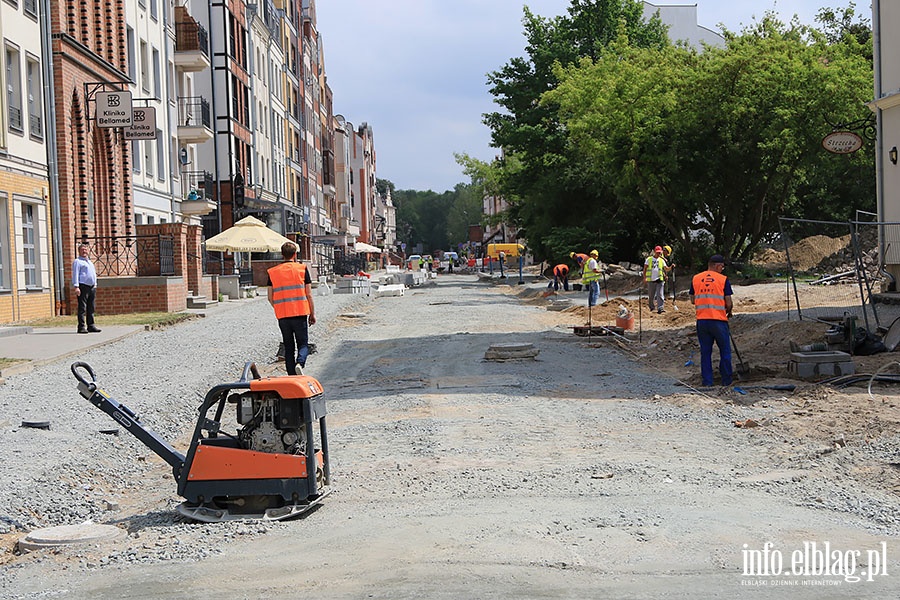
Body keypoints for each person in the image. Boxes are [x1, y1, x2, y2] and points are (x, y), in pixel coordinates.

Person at [267, 241, 316, 376]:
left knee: (288, 347)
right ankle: (300, 363)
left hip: (283, 315)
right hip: (300, 313)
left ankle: (291, 375)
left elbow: (270, 297)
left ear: (282, 254)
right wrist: (312, 314)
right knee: (303, 344)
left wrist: (279, 307)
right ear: (295, 254)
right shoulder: (302, 269)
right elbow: (309, 294)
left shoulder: (273, 272)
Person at [690, 254, 734, 387]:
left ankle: (707, 382)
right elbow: (729, 302)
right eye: (722, 267)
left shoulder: (696, 278)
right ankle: (726, 381)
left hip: (702, 321)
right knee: (725, 351)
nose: (722, 269)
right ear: (717, 265)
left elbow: (693, 300)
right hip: (719, 320)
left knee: (705, 352)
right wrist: (729, 311)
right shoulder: (723, 279)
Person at [72, 242, 101, 334]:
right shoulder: (78, 261)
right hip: (82, 286)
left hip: (91, 287)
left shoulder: (90, 262)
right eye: (82, 250)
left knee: (91, 307)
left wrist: (95, 284)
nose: (84, 251)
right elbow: (75, 274)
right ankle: (81, 326)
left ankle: (91, 325)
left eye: (86, 249)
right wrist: (76, 286)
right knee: (82, 307)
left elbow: (93, 274)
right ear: (79, 251)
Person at [643, 245, 670, 314]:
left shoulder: (661, 260)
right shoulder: (649, 259)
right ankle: (652, 307)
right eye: (657, 252)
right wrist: (644, 277)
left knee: (660, 294)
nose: (659, 254)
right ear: (654, 252)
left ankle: (660, 308)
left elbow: (665, 269)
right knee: (651, 295)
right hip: (651, 279)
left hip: (659, 279)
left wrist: (671, 267)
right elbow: (645, 269)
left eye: (660, 253)